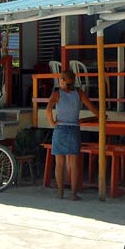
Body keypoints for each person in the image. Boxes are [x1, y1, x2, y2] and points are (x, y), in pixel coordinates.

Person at [46, 69, 99, 200]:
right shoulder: (79, 93)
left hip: (60, 128)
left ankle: (60, 192)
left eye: (60, 78)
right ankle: (74, 194)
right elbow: (92, 108)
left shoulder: (57, 94)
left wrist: (52, 123)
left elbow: (48, 109)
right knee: (74, 163)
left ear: (63, 80)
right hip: (74, 128)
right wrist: (101, 116)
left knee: (59, 163)